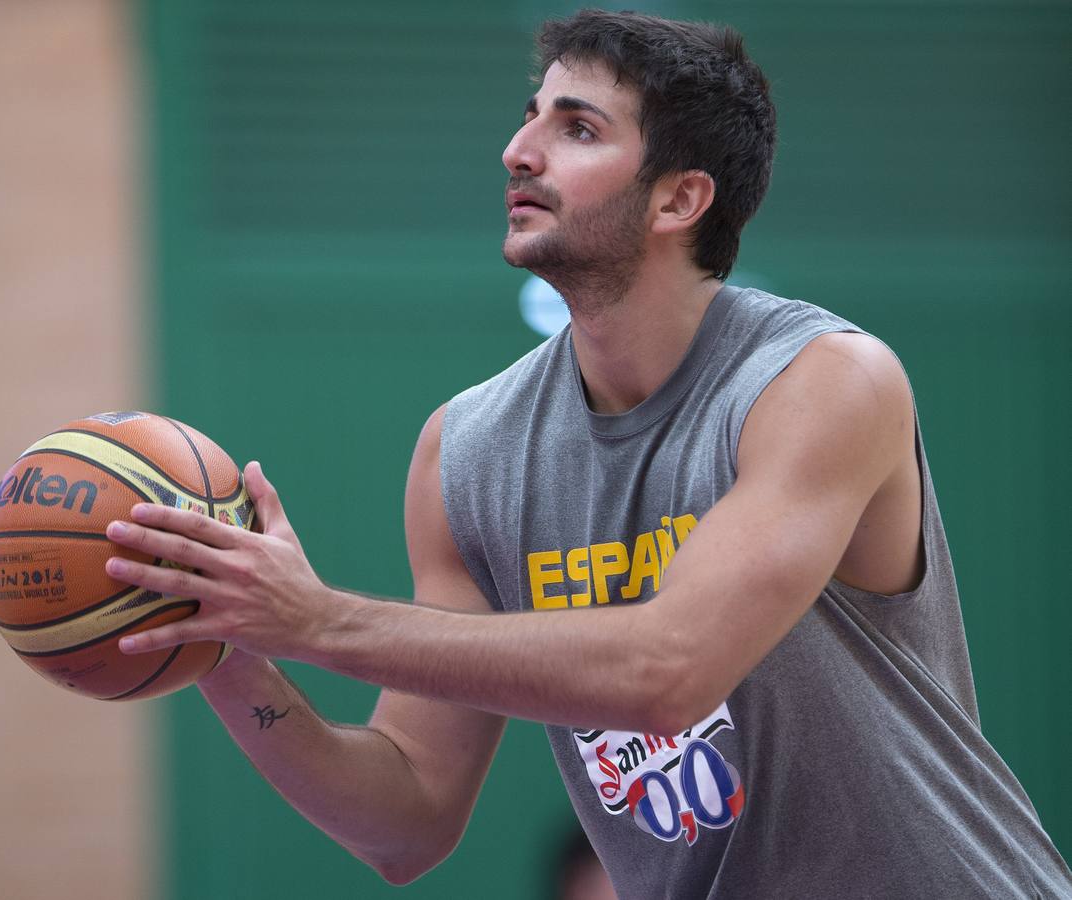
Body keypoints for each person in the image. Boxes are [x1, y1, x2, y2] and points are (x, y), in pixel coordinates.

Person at [104, 10, 1072, 898]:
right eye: (529, 117)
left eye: (576, 128)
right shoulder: (467, 450)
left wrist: (315, 621)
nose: (517, 150)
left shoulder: (822, 381)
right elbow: (404, 822)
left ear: (679, 198)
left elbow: (667, 671)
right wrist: (222, 637)